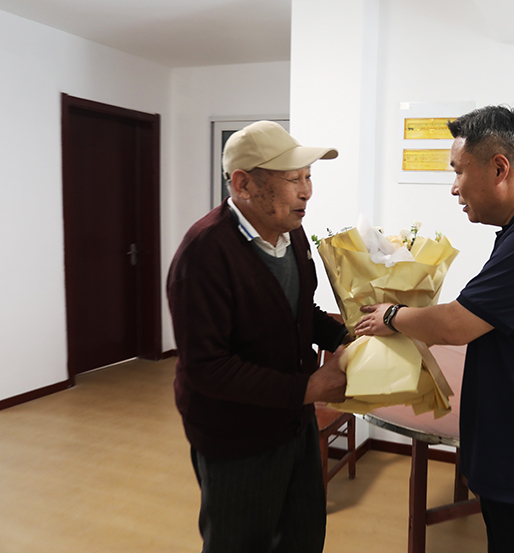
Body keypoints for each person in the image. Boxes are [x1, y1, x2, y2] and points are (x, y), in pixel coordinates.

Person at [355, 105, 514, 553]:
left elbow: (458, 324)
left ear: (499, 168)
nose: (454, 187)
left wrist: (391, 316)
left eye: (458, 171)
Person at [167, 120, 350, 553]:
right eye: (293, 180)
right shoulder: (203, 254)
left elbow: (299, 311)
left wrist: (345, 337)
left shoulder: (292, 234)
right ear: (243, 184)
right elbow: (208, 368)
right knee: (240, 544)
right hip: (236, 437)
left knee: (304, 536)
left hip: (293, 422)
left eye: (308, 177)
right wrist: (308, 388)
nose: (306, 192)